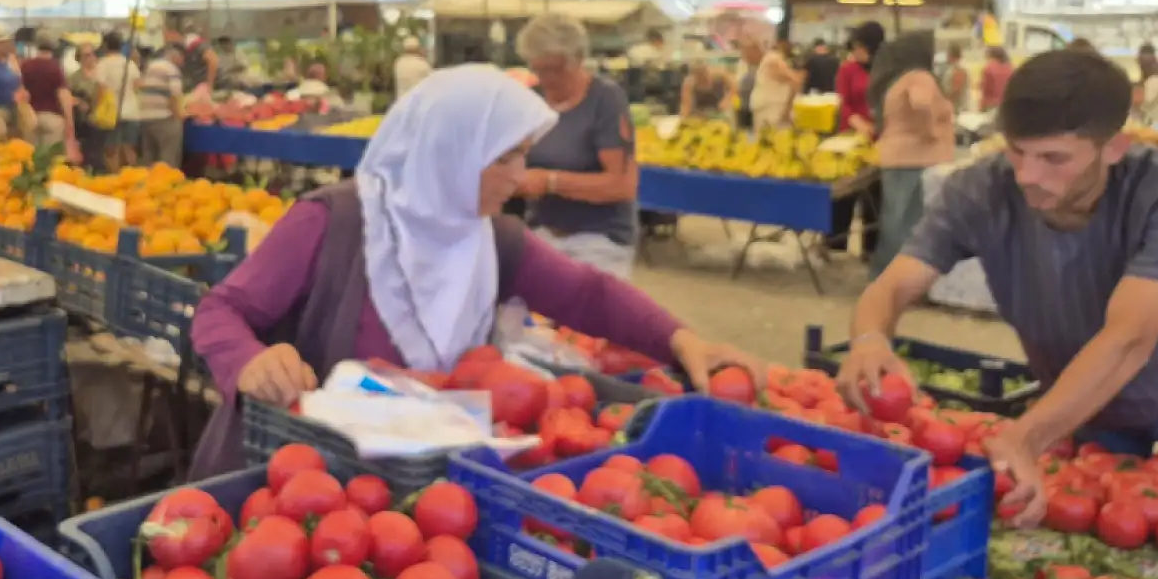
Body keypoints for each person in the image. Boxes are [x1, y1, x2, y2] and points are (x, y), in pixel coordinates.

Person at [187, 64, 769, 477]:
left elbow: (590, 295)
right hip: (305, 476)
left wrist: (681, 338)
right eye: (506, 158)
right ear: (450, 148)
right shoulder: (333, 221)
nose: (521, 177)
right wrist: (251, 360)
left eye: (524, 156)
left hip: (419, 478)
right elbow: (219, 311)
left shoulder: (490, 239)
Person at [836, 49, 1158, 527]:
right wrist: (870, 338)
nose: (1027, 176)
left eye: (1053, 158)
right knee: (1106, 540)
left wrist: (1025, 438)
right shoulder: (979, 190)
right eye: (1016, 150)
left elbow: (1130, 338)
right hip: (1087, 406)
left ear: (1115, 147)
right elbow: (894, 284)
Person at [515, 14, 639, 278]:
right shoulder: (530, 101)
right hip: (542, 235)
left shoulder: (605, 99)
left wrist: (551, 182)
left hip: (598, 242)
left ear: (579, 60)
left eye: (555, 69)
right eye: (538, 69)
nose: (546, 78)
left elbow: (623, 185)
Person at [866, 32, 955, 278]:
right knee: (908, 224)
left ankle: (883, 275)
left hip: (897, 157)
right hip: (915, 158)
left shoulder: (899, 79)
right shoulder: (920, 77)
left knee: (894, 219)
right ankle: (897, 280)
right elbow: (922, 104)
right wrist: (933, 131)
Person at [828, 23, 884, 255]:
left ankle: (870, 250)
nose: (856, 51)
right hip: (850, 139)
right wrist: (856, 122)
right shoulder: (847, 70)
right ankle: (835, 246)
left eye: (861, 46)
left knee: (875, 197)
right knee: (844, 195)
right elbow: (843, 102)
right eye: (854, 46)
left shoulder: (885, 70)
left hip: (879, 142)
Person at [20, 34, 79, 158]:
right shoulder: (55, 68)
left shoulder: (25, 66)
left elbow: (20, 93)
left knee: (31, 156)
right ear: (53, 48)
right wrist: (69, 122)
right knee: (51, 157)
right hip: (53, 118)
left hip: (30, 118)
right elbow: (63, 96)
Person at [95, 31, 146, 168]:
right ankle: (133, 180)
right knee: (129, 149)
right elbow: (138, 87)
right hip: (132, 112)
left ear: (105, 46)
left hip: (111, 114)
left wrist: (96, 111)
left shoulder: (102, 64)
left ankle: (116, 180)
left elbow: (101, 90)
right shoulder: (130, 64)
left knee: (111, 150)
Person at [137, 43, 186, 168]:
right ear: (177, 56)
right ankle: (167, 183)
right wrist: (179, 116)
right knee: (168, 158)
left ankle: (149, 184)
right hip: (165, 118)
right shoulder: (172, 70)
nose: (182, 62)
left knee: (149, 157)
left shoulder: (150, 67)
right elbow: (174, 96)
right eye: (182, 58)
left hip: (145, 117)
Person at [746, 34, 801, 133]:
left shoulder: (771, 60)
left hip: (774, 114)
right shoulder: (765, 62)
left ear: (755, 49)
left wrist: (787, 109)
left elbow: (795, 81)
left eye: (746, 51)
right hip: (767, 113)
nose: (745, 56)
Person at [67, 44, 104, 166]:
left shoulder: (102, 73)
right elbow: (67, 96)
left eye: (92, 53)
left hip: (102, 117)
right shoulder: (74, 77)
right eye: (87, 54)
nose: (91, 57)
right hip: (83, 121)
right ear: (79, 58)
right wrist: (78, 102)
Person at [166, 25, 218, 96]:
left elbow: (213, 60)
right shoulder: (176, 49)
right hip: (198, 88)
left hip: (217, 87)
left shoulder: (195, 43)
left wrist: (209, 86)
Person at [393, 36, 433, 100]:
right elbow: (431, 82)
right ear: (418, 49)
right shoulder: (422, 64)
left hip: (402, 101)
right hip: (418, 102)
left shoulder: (399, 63)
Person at [978, 46, 1012, 112]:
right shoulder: (1010, 68)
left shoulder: (989, 68)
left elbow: (986, 90)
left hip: (991, 105)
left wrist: (981, 107)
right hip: (1006, 104)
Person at [940, 43, 970, 112]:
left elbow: (956, 90)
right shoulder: (953, 68)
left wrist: (946, 105)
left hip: (957, 109)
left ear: (951, 55)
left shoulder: (959, 68)